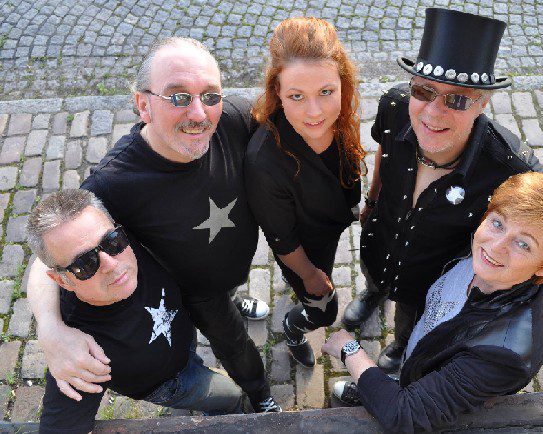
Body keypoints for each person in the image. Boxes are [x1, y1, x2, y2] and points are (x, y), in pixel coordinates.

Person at [27, 37, 280, 413]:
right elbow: (48, 256)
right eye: (178, 97)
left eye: (210, 95)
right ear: (143, 105)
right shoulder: (115, 182)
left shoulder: (233, 117)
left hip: (232, 265)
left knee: (230, 291)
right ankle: (260, 396)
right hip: (196, 292)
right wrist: (50, 329)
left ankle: (235, 297)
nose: (199, 113)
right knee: (234, 344)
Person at [341, 8, 543, 372]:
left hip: (429, 272)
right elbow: (384, 151)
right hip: (381, 236)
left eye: (457, 99)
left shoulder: (508, 165)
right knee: (373, 272)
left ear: (482, 103)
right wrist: (372, 198)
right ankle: (373, 294)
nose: (433, 112)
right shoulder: (395, 106)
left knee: (411, 316)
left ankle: (401, 345)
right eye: (424, 91)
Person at [323, 172, 543, 433]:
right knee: (401, 379)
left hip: (435, 385)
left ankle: (378, 388)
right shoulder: (477, 240)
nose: (495, 246)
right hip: (422, 354)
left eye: (523, 244)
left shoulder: (504, 355)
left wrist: (350, 350)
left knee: (401, 395)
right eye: (498, 223)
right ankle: (382, 386)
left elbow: (404, 415)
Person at [28, 190, 243, 434]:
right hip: (170, 382)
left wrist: (47, 324)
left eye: (112, 241)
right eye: (85, 264)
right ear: (62, 281)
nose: (111, 264)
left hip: (184, 327)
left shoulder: (107, 219)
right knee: (231, 396)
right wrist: (50, 327)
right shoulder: (78, 351)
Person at [245, 17, 365, 367]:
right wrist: (310, 276)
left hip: (328, 229)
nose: (315, 113)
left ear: (342, 84)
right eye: (296, 96)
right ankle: (293, 327)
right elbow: (282, 239)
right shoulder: (264, 162)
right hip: (304, 248)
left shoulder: (339, 117)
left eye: (326, 92)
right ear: (277, 93)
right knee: (324, 312)